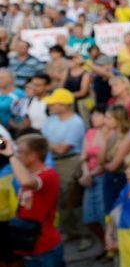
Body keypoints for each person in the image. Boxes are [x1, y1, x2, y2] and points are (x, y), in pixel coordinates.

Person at [3, 134, 83, 267]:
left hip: (44, 249)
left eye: (21, 152)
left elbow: (28, 182)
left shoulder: (47, 175)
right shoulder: (34, 172)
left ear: (33, 155)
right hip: (36, 247)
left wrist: (10, 155)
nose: (17, 155)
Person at [40, 88, 87, 248]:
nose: (51, 106)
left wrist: (48, 144)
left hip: (69, 162)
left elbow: (63, 149)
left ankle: (84, 234)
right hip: (53, 161)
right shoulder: (52, 119)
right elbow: (47, 142)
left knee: (71, 197)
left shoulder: (75, 122)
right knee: (59, 198)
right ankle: (70, 231)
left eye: (55, 103)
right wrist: (50, 145)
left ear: (65, 105)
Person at [79, 108, 110, 257]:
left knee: (104, 215)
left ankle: (110, 245)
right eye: (93, 115)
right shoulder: (90, 133)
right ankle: (104, 243)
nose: (94, 118)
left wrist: (90, 174)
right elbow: (83, 156)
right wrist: (86, 173)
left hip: (103, 177)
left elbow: (106, 160)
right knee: (89, 218)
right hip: (90, 177)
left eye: (98, 114)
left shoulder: (109, 134)